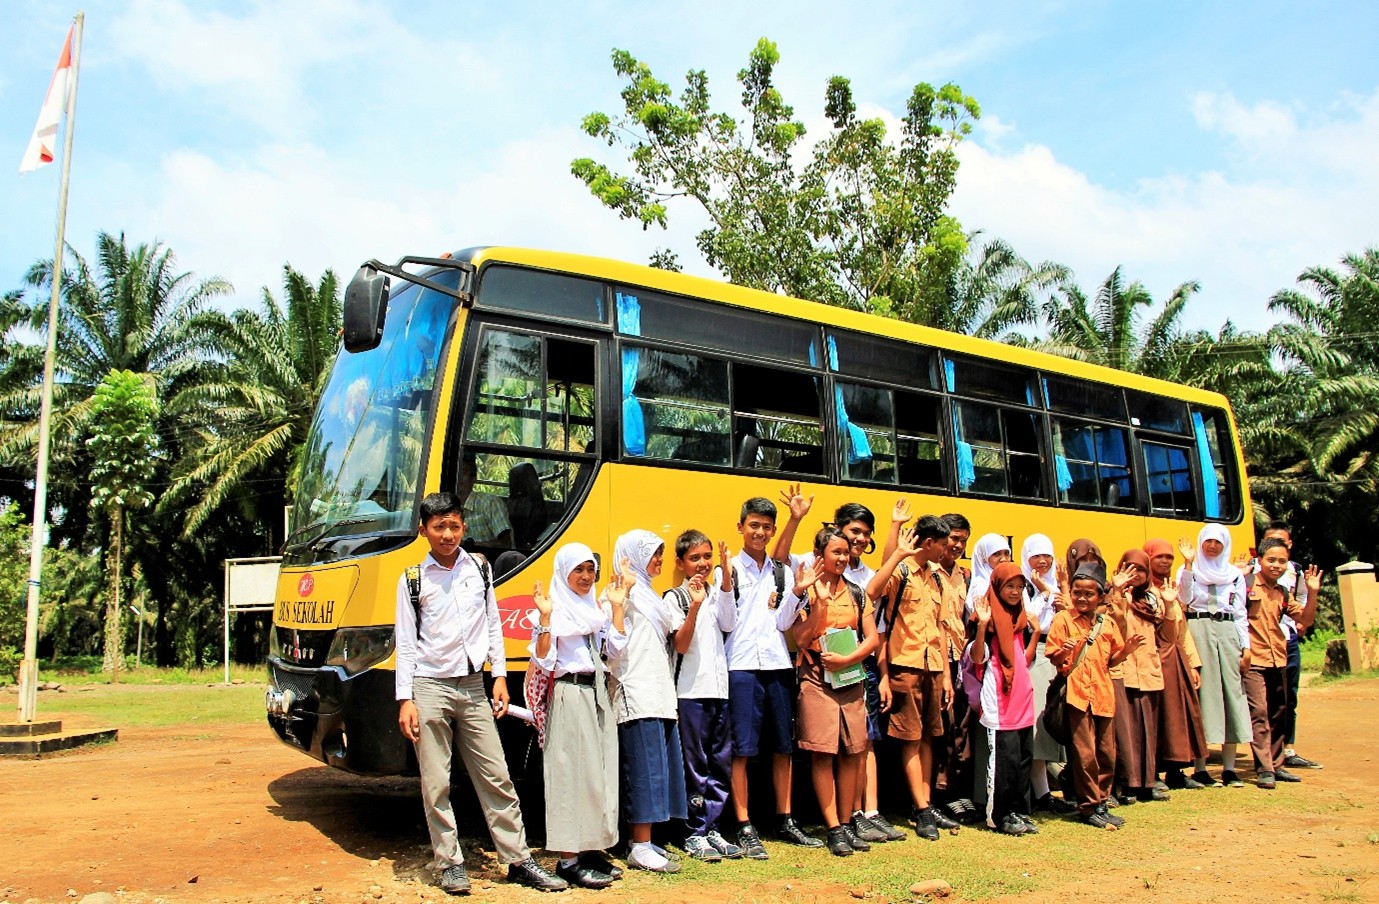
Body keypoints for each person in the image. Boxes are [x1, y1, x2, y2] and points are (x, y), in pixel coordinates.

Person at [394, 492, 566, 894]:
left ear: (464, 527)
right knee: (436, 783)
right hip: (430, 687)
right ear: (424, 531)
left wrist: (500, 677)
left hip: (474, 686)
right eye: (439, 527)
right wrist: (406, 699)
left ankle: (518, 859)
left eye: (454, 525)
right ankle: (450, 862)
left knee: (497, 776)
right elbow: (405, 643)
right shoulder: (413, 579)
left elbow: (493, 625)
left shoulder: (480, 569)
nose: (448, 534)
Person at [773, 490, 902, 844]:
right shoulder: (808, 591)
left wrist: (849, 658)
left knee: (853, 751)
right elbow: (801, 638)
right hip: (816, 679)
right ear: (820, 556)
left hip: (851, 678)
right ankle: (833, 828)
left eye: (846, 553)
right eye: (837, 553)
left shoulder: (857, 592)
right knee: (822, 753)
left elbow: (872, 638)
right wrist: (817, 606)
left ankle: (847, 822)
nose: (844, 558)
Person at [724, 497, 823, 859]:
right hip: (741, 667)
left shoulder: (781, 572)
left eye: (767, 526)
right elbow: (726, 622)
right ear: (740, 527)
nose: (760, 532)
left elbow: (784, 624)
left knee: (783, 747)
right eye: (754, 525)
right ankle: (743, 824)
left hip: (779, 665)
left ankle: (785, 819)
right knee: (742, 750)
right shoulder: (729, 570)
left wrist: (797, 592)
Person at [528, 543, 628, 889]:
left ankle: (589, 848)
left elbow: (614, 651)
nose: (586, 577)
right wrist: (544, 620)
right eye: (579, 570)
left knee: (597, 773)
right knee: (569, 775)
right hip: (569, 693)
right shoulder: (554, 610)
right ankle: (568, 859)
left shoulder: (594, 610)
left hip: (596, 690)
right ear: (564, 572)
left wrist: (616, 608)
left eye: (591, 570)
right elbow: (543, 659)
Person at [867, 515, 959, 841]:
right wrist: (897, 551)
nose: (947, 551)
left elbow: (942, 628)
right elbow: (872, 590)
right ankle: (920, 809)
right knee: (909, 737)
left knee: (929, 737)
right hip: (904, 664)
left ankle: (927, 802)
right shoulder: (902, 570)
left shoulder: (937, 576)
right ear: (928, 542)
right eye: (943, 545)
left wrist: (947, 674)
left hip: (933, 665)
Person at [605, 529, 688, 873]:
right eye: (653, 554)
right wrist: (621, 601)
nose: (659, 560)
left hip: (659, 691)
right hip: (635, 690)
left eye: (660, 553)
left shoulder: (652, 596)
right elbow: (612, 649)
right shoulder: (617, 595)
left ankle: (648, 840)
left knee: (659, 769)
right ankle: (639, 845)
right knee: (644, 770)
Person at [1046, 561, 1143, 830]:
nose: (1081, 598)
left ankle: (1101, 801)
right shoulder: (1064, 619)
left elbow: (1112, 660)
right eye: (1077, 592)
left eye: (1089, 594)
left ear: (1101, 597)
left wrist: (1128, 650)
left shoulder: (1107, 623)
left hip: (1102, 694)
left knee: (1107, 752)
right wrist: (1065, 651)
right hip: (1076, 695)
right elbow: (1055, 659)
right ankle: (1088, 807)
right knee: (1085, 754)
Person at [667, 529, 745, 861]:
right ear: (681, 563)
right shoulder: (675, 598)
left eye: (707, 557)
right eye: (694, 558)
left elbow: (729, 623)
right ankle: (692, 831)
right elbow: (680, 644)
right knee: (694, 764)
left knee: (719, 762)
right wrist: (695, 607)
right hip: (689, 692)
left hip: (719, 690)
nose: (702, 564)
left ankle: (712, 827)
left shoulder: (719, 592)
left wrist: (725, 577)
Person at [966, 562, 1038, 835]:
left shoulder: (1020, 619)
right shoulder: (986, 618)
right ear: (997, 586)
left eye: (1020, 587)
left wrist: (1037, 633)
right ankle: (999, 815)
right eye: (1009, 586)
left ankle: (1018, 810)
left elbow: (1025, 660)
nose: (1015, 592)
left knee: (1022, 758)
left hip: (1022, 696)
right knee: (1003, 760)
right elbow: (977, 658)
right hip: (1000, 696)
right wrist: (984, 625)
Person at [1244, 538, 1322, 788]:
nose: (1276, 565)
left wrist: (1312, 592)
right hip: (1253, 659)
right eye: (1271, 560)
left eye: (1282, 561)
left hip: (1278, 657)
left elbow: (1305, 620)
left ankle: (1277, 765)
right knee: (1259, 713)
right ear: (1260, 561)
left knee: (1280, 712)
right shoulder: (1245, 585)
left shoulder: (1283, 592)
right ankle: (1264, 768)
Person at [1177, 525, 1251, 787]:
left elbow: (1240, 611)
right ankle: (1200, 767)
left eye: (1217, 543)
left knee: (1232, 693)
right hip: (1198, 629)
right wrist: (1187, 564)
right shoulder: (1190, 571)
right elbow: (1183, 600)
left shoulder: (1233, 575)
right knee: (1205, 696)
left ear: (1225, 545)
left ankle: (1229, 769)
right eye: (1207, 541)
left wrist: (1246, 646)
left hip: (1227, 630)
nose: (1212, 546)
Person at [1143, 538, 1208, 791]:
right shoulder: (1144, 591)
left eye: (1169, 557)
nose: (1165, 561)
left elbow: (1183, 631)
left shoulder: (1172, 588)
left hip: (1176, 660)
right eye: (1159, 556)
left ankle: (1176, 771)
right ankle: (1155, 773)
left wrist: (1192, 664)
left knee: (1178, 717)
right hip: (1156, 660)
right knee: (1160, 718)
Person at [1019, 534, 1074, 815]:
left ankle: (1048, 790)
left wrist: (1057, 590)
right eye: (1036, 556)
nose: (1042, 561)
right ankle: (1040, 793)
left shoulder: (1056, 587)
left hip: (1058, 655)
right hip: (1036, 654)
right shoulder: (1024, 586)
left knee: (1055, 721)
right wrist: (1045, 594)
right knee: (1038, 724)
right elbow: (1030, 621)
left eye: (1046, 556)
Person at [1109, 549, 1165, 804]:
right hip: (1125, 670)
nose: (1136, 574)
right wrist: (1119, 592)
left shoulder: (1154, 600)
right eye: (1129, 568)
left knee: (1148, 731)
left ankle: (1148, 782)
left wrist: (1172, 604)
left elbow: (1170, 634)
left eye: (1141, 570)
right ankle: (1128, 783)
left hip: (1150, 671)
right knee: (1126, 731)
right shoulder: (1115, 594)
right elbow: (1111, 620)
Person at [935, 512, 977, 822]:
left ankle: (958, 791)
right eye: (953, 539)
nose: (958, 545)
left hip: (960, 659)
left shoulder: (966, 575)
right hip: (935, 659)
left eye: (963, 540)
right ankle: (940, 793)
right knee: (940, 727)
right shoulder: (928, 572)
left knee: (960, 726)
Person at [457, 458, 512, 547]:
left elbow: (505, 543)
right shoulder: (448, 505)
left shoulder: (490, 503)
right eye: (456, 473)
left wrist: (470, 545)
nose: (458, 478)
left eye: (463, 473)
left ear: (473, 479)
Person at [964, 533, 1014, 618]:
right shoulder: (981, 586)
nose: (1003, 559)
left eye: (1006, 553)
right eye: (996, 554)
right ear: (984, 557)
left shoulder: (1011, 580)